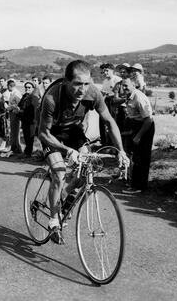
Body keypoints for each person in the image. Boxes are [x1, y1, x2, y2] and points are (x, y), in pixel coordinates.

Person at [38, 60, 129, 244]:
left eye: (86, 84)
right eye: (78, 84)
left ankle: (65, 194)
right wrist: (67, 151)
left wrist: (122, 151)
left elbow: (110, 122)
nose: (83, 89)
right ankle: (54, 221)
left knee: (89, 167)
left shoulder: (93, 93)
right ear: (66, 81)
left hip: (73, 131)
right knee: (59, 173)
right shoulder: (52, 98)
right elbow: (43, 133)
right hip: (51, 134)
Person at [120, 78, 155, 194]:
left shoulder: (138, 97)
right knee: (135, 157)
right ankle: (134, 184)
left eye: (126, 86)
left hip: (145, 128)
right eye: (122, 86)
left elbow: (148, 120)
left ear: (134, 85)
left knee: (141, 158)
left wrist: (138, 136)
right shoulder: (129, 96)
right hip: (137, 126)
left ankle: (139, 187)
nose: (124, 88)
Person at [99, 63, 122, 146]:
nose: (105, 73)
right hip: (106, 101)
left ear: (112, 70)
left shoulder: (117, 80)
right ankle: (104, 143)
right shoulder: (105, 81)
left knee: (112, 122)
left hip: (114, 103)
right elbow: (103, 91)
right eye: (104, 71)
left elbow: (120, 94)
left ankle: (113, 144)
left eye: (107, 71)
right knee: (102, 122)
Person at [18, 81, 38, 158]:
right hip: (24, 119)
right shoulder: (24, 96)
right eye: (26, 87)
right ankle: (27, 152)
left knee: (30, 137)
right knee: (26, 137)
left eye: (29, 87)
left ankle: (28, 153)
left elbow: (35, 109)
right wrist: (18, 109)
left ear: (33, 88)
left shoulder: (34, 97)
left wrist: (22, 110)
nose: (27, 89)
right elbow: (20, 105)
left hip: (32, 120)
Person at [6, 79, 23, 154]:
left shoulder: (16, 93)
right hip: (12, 113)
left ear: (9, 86)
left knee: (15, 132)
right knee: (13, 131)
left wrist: (11, 107)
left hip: (15, 114)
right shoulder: (13, 93)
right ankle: (14, 148)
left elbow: (20, 105)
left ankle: (17, 148)